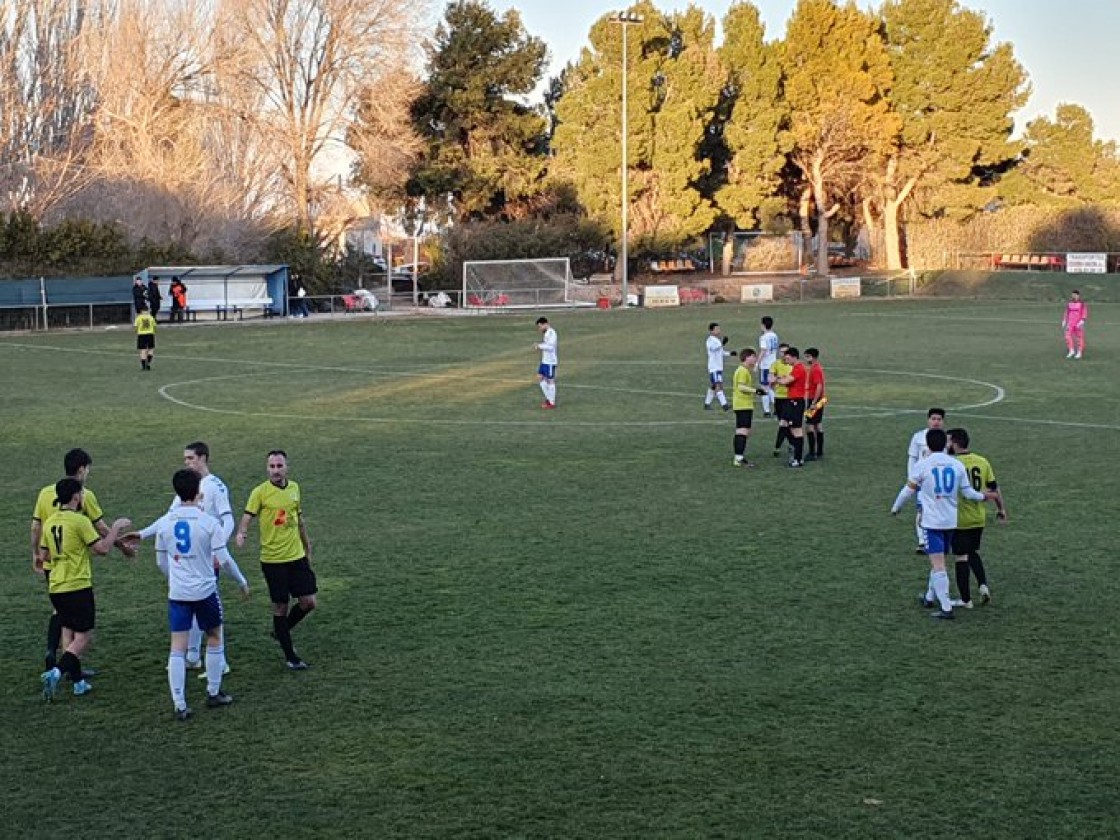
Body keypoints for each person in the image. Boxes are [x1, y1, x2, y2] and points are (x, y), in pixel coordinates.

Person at [132, 442, 249, 676]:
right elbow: (168, 518)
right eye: (185, 459)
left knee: (209, 605)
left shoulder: (215, 486)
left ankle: (220, 660)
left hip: (207, 554)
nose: (186, 462)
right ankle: (194, 656)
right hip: (195, 554)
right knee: (197, 604)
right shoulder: (189, 486)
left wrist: (218, 549)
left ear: (203, 458)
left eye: (190, 458)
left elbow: (228, 520)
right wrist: (142, 534)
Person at [31, 448, 132, 673]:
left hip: (54, 573)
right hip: (76, 577)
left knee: (64, 619)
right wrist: (121, 542)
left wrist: (36, 556)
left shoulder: (46, 494)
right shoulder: (84, 499)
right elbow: (101, 530)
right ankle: (61, 670)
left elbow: (36, 528)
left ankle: (69, 670)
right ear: (81, 470)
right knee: (82, 631)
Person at [154, 469, 235, 721]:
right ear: (199, 493)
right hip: (205, 591)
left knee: (176, 647)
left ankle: (180, 704)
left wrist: (174, 578)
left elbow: (160, 562)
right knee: (214, 636)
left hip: (178, 593)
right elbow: (224, 561)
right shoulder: (209, 523)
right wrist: (241, 582)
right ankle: (213, 692)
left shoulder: (165, 523)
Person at [890, 428, 994, 620]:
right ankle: (929, 597)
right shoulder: (956, 465)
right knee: (938, 559)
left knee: (938, 565)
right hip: (951, 522)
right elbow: (968, 493)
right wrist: (984, 496)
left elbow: (908, 491)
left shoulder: (922, 465)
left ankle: (946, 608)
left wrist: (896, 508)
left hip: (932, 522)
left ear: (928, 445)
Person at [236, 450, 316, 670]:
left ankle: (280, 632)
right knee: (280, 606)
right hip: (273, 560)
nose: (276, 470)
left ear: (286, 467)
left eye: (279, 466)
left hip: (296, 556)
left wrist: (307, 544)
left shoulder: (294, 488)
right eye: (272, 466)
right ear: (267, 468)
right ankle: (291, 656)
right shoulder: (260, 492)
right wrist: (241, 533)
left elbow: (297, 519)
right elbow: (246, 516)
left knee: (308, 602)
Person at [947, 428, 1008, 607]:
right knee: (972, 552)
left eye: (948, 441)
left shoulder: (952, 464)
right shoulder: (982, 461)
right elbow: (994, 489)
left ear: (956, 443)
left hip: (959, 519)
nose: (946, 444)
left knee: (961, 557)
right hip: (978, 518)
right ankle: (983, 586)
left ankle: (966, 600)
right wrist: (1001, 509)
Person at [908, 408, 946, 554]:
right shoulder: (918, 437)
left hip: (940, 482)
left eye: (939, 419)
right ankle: (922, 541)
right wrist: (912, 478)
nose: (936, 422)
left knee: (941, 509)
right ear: (928, 420)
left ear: (943, 421)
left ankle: (940, 539)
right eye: (933, 419)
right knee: (921, 510)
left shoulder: (946, 438)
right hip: (923, 481)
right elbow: (912, 458)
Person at [771, 346, 808, 467]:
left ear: (794, 357)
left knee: (796, 429)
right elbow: (789, 381)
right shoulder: (794, 369)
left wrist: (776, 379)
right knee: (787, 425)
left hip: (796, 402)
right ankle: (795, 454)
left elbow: (786, 381)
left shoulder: (798, 369)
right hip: (791, 401)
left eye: (787, 358)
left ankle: (798, 458)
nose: (786, 360)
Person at [731, 349, 768, 467]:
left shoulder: (744, 370)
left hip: (743, 404)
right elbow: (741, 387)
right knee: (742, 431)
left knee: (744, 431)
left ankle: (739, 457)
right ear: (747, 357)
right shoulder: (742, 371)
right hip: (742, 405)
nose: (755, 359)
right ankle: (738, 458)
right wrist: (756, 391)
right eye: (753, 356)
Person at [703, 322, 734, 412]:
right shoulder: (710, 340)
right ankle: (724, 405)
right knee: (718, 385)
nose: (718, 330)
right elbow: (714, 349)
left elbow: (720, 352)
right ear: (711, 330)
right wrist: (722, 344)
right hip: (714, 367)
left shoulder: (717, 340)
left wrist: (730, 353)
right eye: (716, 329)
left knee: (714, 385)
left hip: (719, 367)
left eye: (719, 329)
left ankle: (707, 404)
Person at [803, 347, 827, 461]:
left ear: (813, 357)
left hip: (815, 399)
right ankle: (820, 451)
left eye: (807, 356)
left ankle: (812, 452)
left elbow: (819, 386)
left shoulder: (815, 369)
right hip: (821, 399)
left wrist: (813, 403)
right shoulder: (817, 368)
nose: (806, 359)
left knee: (809, 426)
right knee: (818, 424)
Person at [769, 342, 792, 456]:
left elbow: (791, 381)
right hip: (778, 397)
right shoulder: (775, 364)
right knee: (784, 424)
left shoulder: (792, 365)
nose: (784, 354)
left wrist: (779, 379)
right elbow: (771, 380)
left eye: (786, 352)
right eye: (782, 352)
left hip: (790, 398)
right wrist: (781, 379)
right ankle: (792, 443)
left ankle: (777, 447)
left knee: (784, 423)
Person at [534, 316, 558, 409]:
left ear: (545, 324)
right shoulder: (546, 333)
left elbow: (551, 347)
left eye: (540, 327)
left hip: (550, 361)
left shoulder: (552, 333)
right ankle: (549, 398)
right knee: (540, 378)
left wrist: (539, 346)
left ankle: (551, 402)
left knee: (550, 380)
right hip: (544, 361)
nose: (539, 329)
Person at [758, 316, 780, 418]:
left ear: (763, 325)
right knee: (772, 387)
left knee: (764, 387)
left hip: (766, 365)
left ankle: (767, 411)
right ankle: (777, 408)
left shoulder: (763, 337)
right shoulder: (774, 335)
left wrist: (757, 363)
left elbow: (763, 350)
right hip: (774, 364)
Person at [1062, 289, 1088, 359]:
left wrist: (1082, 320)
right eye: (1072, 294)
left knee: (1079, 337)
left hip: (1078, 323)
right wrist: (1064, 320)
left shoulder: (1082, 303)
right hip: (1070, 323)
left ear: (1078, 295)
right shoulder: (1069, 303)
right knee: (1067, 336)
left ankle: (1079, 352)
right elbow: (1066, 312)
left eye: (1075, 294)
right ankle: (1071, 350)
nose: (1073, 296)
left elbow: (1084, 312)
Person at [135, 305, 156, 370]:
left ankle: (143, 366)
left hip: (141, 335)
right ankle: (148, 363)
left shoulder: (139, 318)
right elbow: (154, 326)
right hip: (150, 334)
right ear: (148, 310)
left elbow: (136, 326)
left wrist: (137, 332)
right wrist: (153, 332)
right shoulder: (151, 317)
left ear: (141, 311)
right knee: (151, 349)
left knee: (143, 350)